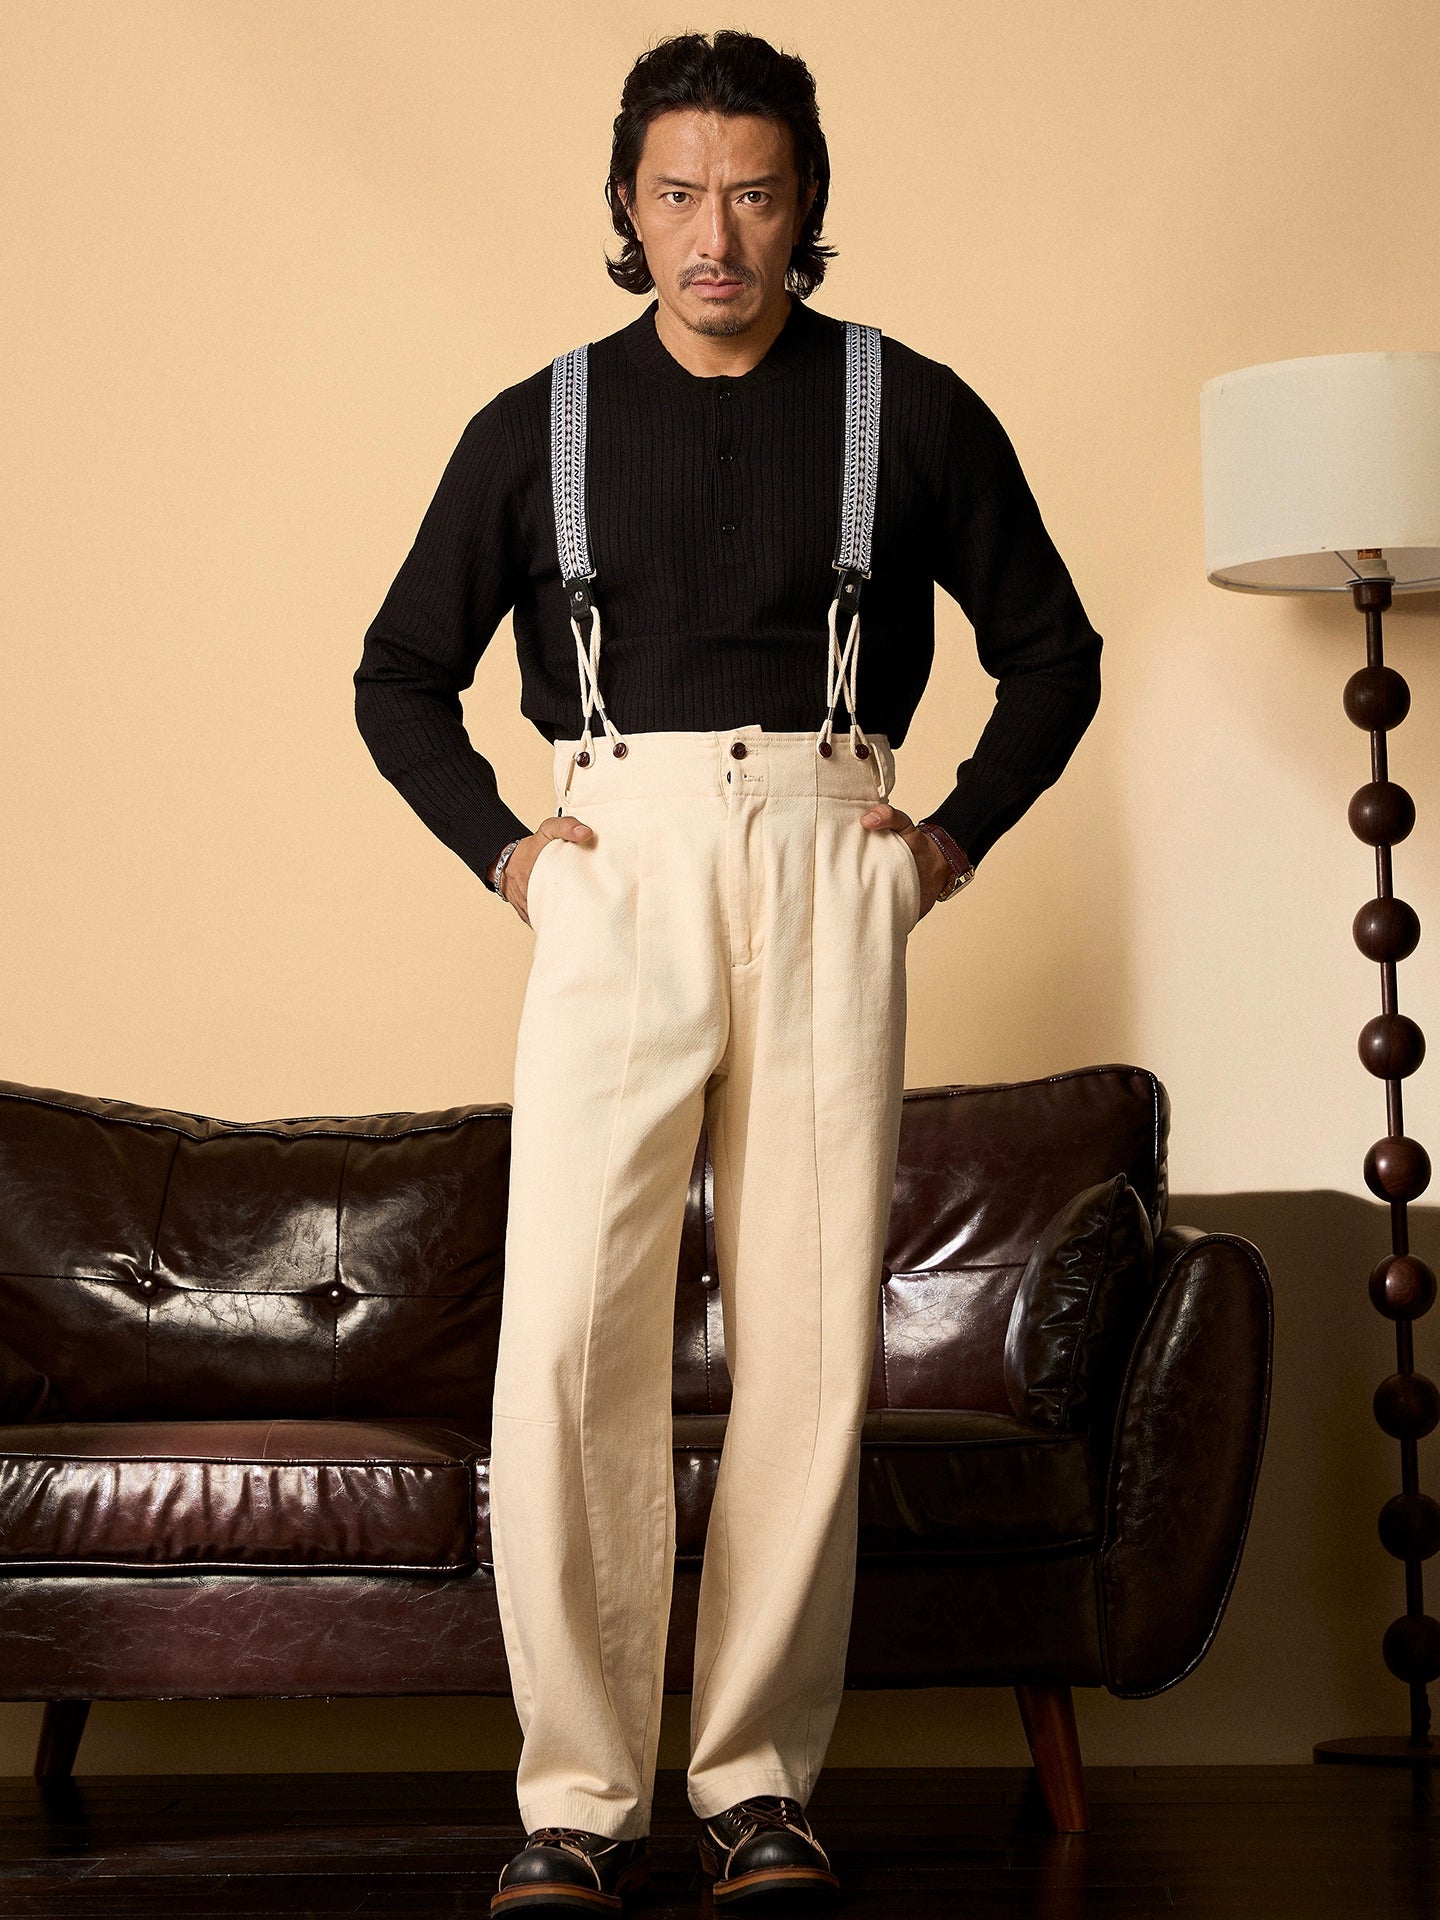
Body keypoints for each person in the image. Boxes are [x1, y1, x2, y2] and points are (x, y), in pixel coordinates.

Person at [353, 28, 1102, 1916]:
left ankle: (760, 1781)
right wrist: (511, 854)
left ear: (806, 203)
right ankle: (578, 1800)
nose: (716, 237)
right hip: (615, 859)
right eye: (679, 195)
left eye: (754, 196)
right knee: (566, 1338)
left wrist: (942, 845)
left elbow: (1056, 654)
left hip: (834, 855)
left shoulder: (910, 408)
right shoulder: (534, 423)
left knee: (809, 1342)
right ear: (627, 204)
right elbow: (397, 675)